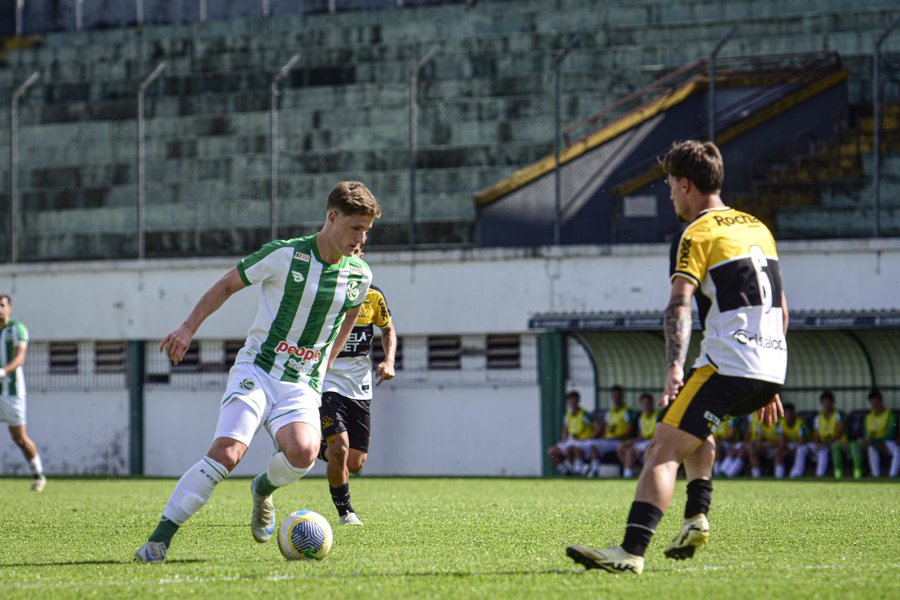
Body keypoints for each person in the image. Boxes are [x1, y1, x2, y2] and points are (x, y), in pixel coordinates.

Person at [567, 140, 788, 575]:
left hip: (728, 362)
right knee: (693, 430)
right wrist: (770, 373)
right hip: (769, 365)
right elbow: (781, 306)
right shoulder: (757, 227)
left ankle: (630, 553)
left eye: (670, 186)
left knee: (661, 449)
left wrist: (673, 365)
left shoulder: (696, 233)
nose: (670, 196)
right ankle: (695, 518)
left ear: (685, 184)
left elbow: (679, 305)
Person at [135, 181, 381, 562]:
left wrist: (326, 363)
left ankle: (262, 489)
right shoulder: (285, 254)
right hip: (259, 370)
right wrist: (187, 328)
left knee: (303, 453)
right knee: (228, 452)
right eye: (355, 227)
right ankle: (158, 540)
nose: (361, 237)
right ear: (332, 217)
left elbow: (350, 313)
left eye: (366, 230)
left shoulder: (359, 275)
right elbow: (227, 284)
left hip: (301, 382)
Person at [319, 245, 397, 525]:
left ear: (361, 256)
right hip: (326, 378)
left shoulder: (373, 295)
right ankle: (346, 512)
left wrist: (389, 361)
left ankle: (312, 448)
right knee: (339, 447)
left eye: (357, 251)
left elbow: (388, 330)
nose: (352, 254)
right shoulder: (324, 291)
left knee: (355, 462)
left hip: (359, 383)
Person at [0, 295, 46, 492]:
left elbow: (20, 359)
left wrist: (2, 372)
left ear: (9, 308)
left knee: (19, 437)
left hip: (11, 392)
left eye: (2, 305)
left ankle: (38, 474)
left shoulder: (17, 329)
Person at [585, 385, 634, 478]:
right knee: (590, 444)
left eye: (618, 396)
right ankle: (594, 469)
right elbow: (606, 430)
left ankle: (594, 469)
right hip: (608, 441)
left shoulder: (627, 411)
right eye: (614, 396)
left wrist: (615, 437)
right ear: (612, 397)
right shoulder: (609, 412)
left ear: (622, 396)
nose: (616, 398)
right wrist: (603, 438)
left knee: (593, 444)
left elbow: (629, 431)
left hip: (618, 441)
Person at [812, 390, 862, 479]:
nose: (827, 404)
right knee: (818, 450)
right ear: (821, 403)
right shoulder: (817, 417)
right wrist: (817, 443)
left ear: (833, 402)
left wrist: (826, 443)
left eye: (829, 402)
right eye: (824, 402)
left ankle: (852, 474)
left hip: (840, 442)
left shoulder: (839, 414)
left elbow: (840, 432)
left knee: (837, 446)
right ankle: (819, 476)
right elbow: (816, 434)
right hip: (824, 443)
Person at [548, 391, 594, 475]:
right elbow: (565, 430)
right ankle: (566, 471)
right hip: (572, 441)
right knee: (552, 452)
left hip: (583, 442)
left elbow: (598, 426)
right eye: (570, 400)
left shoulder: (584, 414)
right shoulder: (567, 415)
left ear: (578, 401)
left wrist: (590, 437)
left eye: (574, 400)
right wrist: (563, 441)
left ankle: (578, 471)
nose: (572, 403)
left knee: (570, 449)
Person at [858, 389, 899, 478]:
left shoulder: (892, 415)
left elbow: (891, 434)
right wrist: (867, 441)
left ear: (881, 401)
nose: (874, 405)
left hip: (889, 442)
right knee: (871, 448)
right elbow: (865, 434)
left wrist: (874, 441)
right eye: (872, 403)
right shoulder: (868, 417)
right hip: (873, 443)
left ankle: (892, 475)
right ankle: (875, 475)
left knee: (898, 450)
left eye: (876, 403)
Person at [617, 393, 659, 478]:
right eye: (644, 404)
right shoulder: (641, 417)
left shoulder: (658, 416)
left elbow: (661, 435)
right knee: (625, 449)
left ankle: (647, 476)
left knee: (646, 450)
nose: (646, 406)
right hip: (644, 441)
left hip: (654, 441)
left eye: (648, 403)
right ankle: (628, 474)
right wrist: (631, 442)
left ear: (652, 404)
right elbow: (641, 436)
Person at [774, 402, 808, 479]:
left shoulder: (801, 423)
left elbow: (802, 440)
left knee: (800, 450)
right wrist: (783, 448)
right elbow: (781, 440)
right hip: (789, 445)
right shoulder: (780, 423)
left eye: (790, 413)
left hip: (804, 445)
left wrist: (792, 450)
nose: (788, 415)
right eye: (786, 413)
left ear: (793, 413)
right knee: (779, 450)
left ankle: (796, 474)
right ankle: (779, 476)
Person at [745, 409, 780, 478]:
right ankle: (756, 476)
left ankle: (779, 476)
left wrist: (769, 446)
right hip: (767, 447)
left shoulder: (777, 422)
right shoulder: (760, 424)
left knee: (779, 452)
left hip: (775, 447)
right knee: (753, 452)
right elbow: (759, 440)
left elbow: (781, 441)